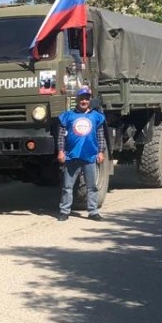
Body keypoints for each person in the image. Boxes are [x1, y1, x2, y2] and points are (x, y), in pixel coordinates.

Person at [54, 86, 107, 222]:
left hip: (90, 156)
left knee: (92, 186)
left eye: (86, 98)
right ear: (77, 99)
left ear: (90, 100)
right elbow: (61, 137)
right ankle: (65, 211)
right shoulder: (68, 116)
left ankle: (93, 212)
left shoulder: (97, 117)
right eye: (82, 98)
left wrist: (101, 152)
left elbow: (101, 136)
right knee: (67, 186)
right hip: (72, 156)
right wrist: (60, 151)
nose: (84, 101)